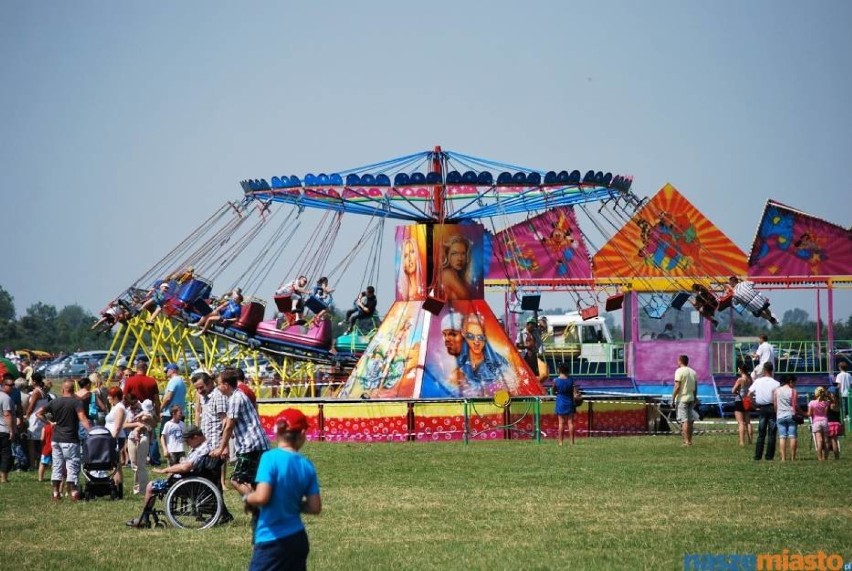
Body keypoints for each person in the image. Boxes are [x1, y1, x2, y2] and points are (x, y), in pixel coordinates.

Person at [245, 409, 322, 571]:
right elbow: (315, 507)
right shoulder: (306, 465)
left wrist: (247, 498)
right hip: (297, 538)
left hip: (271, 539)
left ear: (276, 433)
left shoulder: (269, 458)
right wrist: (293, 503)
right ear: (302, 433)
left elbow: (262, 497)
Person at [126, 425, 233, 528]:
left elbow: (186, 466)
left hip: (187, 484)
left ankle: (144, 519)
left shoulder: (202, 449)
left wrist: (166, 469)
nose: (187, 444)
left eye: (187, 441)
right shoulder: (201, 447)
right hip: (189, 481)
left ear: (195, 437)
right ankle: (144, 518)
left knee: (151, 486)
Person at [212, 368, 269, 496]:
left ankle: (260, 508)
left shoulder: (235, 398)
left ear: (226, 385)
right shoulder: (237, 396)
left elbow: (230, 426)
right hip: (257, 444)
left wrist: (221, 448)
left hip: (250, 446)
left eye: (218, 385)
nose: (217, 388)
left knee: (236, 480)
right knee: (254, 481)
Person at [36, 380, 92, 500]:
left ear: (62, 389)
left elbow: (39, 413)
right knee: (72, 465)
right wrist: (92, 431)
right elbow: (82, 418)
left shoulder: (54, 402)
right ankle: (73, 493)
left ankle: (56, 493)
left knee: (57, 466)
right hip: (70, 439)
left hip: (56, 439)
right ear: (73, 390)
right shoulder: (76, 403)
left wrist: (50, 423)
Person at [455, 312, 511, 395]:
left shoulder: (499, 361)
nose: (476, 342)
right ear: (463, 333)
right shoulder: (457, 362)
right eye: (471, 336)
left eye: (480, 337)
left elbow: (511, 385)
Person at [193, 370, 229, 489]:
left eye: (201, 387)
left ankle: (218, 506)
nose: (199, 391)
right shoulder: (204, 397)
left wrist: (224, 447)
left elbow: (225, 422)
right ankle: (216, 507)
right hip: (206, 445)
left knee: (213, 482)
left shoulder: (218, 396)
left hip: (216, 446)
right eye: (197, 389)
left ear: (209, 383)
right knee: (207, 481)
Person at [123, 359, 161, 465]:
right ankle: (154, 458)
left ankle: (134, 458)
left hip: (135, 410)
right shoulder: (152, 381)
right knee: (151, 434)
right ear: (145, 368)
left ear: (136, 368)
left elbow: (125, 396)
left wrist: (131, 405)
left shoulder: (130, 381)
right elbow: (156, 399)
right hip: (148, 409)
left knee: (134, 433)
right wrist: (157, 413)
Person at [747, 362, 780, 461]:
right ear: (772, 370)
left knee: (761, 433)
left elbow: (749, 394)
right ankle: (769, 456)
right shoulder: (776, 383)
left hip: (761, 408)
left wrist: (753, 406)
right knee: (772, 433)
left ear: (764, 370)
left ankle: (758, 455)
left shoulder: (758, 381)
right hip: (772, 408)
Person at [125, 398, 155, 494]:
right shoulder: (127, 411)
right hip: (131, 437)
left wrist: (149, 420)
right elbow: (124, 425)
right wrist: (137, 424)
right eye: (130, 405)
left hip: (144, 436)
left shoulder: (146, 409)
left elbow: (154, 424)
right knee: (134, 464)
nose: (132, 407)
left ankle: (143, 489)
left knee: (141, 464)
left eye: (134, 405)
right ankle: (136, 488)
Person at [104, 386, 127, 496]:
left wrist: (111, 440)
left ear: (116, 397)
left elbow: (117, 427)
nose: (108, 398)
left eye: (110, 396)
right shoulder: (115, 407)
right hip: (112, 437)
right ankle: (116, 486)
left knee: (115, 465)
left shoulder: (119, 408)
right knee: (114, 464)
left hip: (116, 438)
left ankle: (117, 487)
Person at [25, 372, 51, 467]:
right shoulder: (43, 390)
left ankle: (32, 464)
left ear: (34, 381)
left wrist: (26, 415)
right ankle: (42, 463)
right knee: (41, 443)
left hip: (34, 419)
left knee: (31, 443)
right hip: (41, 418)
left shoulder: (36, 392)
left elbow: (31, 407)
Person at [671, 354, 698, 446]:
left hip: (682, 399)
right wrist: (695, 398)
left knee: (684, 421)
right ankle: (689, 440)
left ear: (680, 361)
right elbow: (695, 387)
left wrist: (672, 398)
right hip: (691, 398)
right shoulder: (693, 372)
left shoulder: (679, 371)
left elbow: (677, 386)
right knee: (690, 421)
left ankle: (686, 442)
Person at [440, 234, 473, 300]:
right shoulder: (447, 273)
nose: (460, 258)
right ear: (447, 255)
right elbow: (467, 297)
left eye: (463, 253)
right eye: (454, 253)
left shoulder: (459, 275)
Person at [774, 375, 799, 462]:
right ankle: (793, 457)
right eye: (795, 382)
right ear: (791, 381)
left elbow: (775, 404)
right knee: (792, 436)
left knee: (782, 437)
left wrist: (777, 413)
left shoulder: (777, 391)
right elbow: (795, 405)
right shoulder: (793, 391)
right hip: (791, 415)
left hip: (780, 415)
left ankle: (783, 458)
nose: (795, 384)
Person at [553, 364, 576, 446]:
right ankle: (571, 442)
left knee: (561, 423)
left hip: (560, 402)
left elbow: (553, 391)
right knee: (570, 423)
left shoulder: (556, 380)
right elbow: (573, 391)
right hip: (569, 401)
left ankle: (560, 442)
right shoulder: (571, 380)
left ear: (559, 370)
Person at [160, 363, 187, 433]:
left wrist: (160, 409)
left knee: (164, 435)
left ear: (172, 370)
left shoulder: (173, 381)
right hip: (180, 413)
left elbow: (168, 397)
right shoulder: (182, 381)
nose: (166, 373)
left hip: (170, 414)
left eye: (167, 371)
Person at [731, 364, 753, 446]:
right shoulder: (749, 379)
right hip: (746, 400)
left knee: (740, 423)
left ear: (741, 370)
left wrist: (736, 391)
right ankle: (750, 441)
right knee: (748, 422)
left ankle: (742, 441)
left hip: (739, 400)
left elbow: (733, 390)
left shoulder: (740, 379)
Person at [808, 387, 830, 461]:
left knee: (819, 440)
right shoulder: (826, 403)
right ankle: (826, 457)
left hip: (816, 422)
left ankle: (820, 458)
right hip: (824, 421)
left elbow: (810, 414)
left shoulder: (812, 402)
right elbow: (826, 412)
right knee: (826, 440)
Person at [0, 376, 15, 483]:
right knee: (6, 455)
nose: (13, 387)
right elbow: (7, 415)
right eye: (10, 385)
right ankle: (4, 478)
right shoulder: (5, 398)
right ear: (4, 385)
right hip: (3, 430)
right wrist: (11, 430)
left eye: (13, 385)